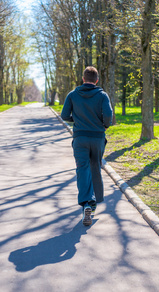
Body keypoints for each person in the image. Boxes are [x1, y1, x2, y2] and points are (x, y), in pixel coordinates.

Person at [61, 66, 113, 226]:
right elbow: (109, 116)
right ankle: (94, 204)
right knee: (95, 167)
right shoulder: (102, 95)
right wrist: (104, 126)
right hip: (97, 138)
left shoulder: (72, 95)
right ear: (96, 80)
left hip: (80, 138)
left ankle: (86, 203)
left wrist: (77, 120)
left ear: (83, 79)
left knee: (82, 169)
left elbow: (64, 115)